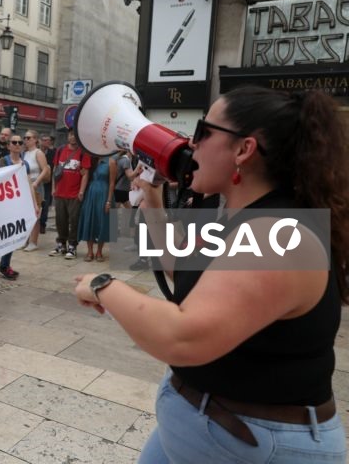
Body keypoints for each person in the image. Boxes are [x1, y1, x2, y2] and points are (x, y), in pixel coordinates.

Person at [74, 86, 349, 463]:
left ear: (243, 150)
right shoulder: (238, 217)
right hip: (210, 425)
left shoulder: (278, 235)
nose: (191, 143)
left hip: (254, 443)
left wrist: (103, 286)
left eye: (203, 131)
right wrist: (153, 199)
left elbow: (183, 337)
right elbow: (179, 266)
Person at [0, 134, 36, 280]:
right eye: (14, 142)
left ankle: (5, 265)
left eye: (20, 142)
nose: (17, 144)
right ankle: (3, 265)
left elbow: (29, 183)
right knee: (5, 236)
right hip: (5, 203)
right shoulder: (3, 161)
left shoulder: (25, 164)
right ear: (9, 145)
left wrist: (34, 204)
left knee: (13, 235)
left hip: (18, 204)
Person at [49, 131, 91, 259]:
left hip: (74, 194)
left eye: (75, 135)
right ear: (67, 136)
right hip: (60, 192)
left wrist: (81, 191)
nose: (72, 137)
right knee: (60, 220)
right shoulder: (60, 150)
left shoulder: (84, 152)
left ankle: (72, 246)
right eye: (70, 135)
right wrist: (53, 188)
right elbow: (55, 169)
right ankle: (61, 244)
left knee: (74, 220)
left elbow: (85, 174)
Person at [77, 156, 116, 261]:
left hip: (104, 192)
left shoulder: (111, 161)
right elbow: (84, 175)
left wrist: (108, 200)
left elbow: (112, 182)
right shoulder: (90, 160)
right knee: (89, 220)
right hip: (90, 193)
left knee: (102, 221)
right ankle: (89, 252)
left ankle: (99, 251)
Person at [21, 130, 50, 251]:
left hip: (36, 186)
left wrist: (37, 182)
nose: (26, 140)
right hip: (25, 186)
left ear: (35, 139)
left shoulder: (38, 153)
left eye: (28, 138)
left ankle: (33, 241)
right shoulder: (24, 153)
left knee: (35, 214)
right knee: (24, 214)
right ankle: (25, 240)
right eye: (25, 138)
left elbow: (45, 169)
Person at [39, 133, 56, 234]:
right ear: (40, 141)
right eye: (45, 140)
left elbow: (54, 169)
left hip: (48, 183)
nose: (47, 142)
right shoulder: (36, 152)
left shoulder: (53, 153)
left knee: (45, 205)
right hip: (36, 182)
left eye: (48, 140)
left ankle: (42, 224)